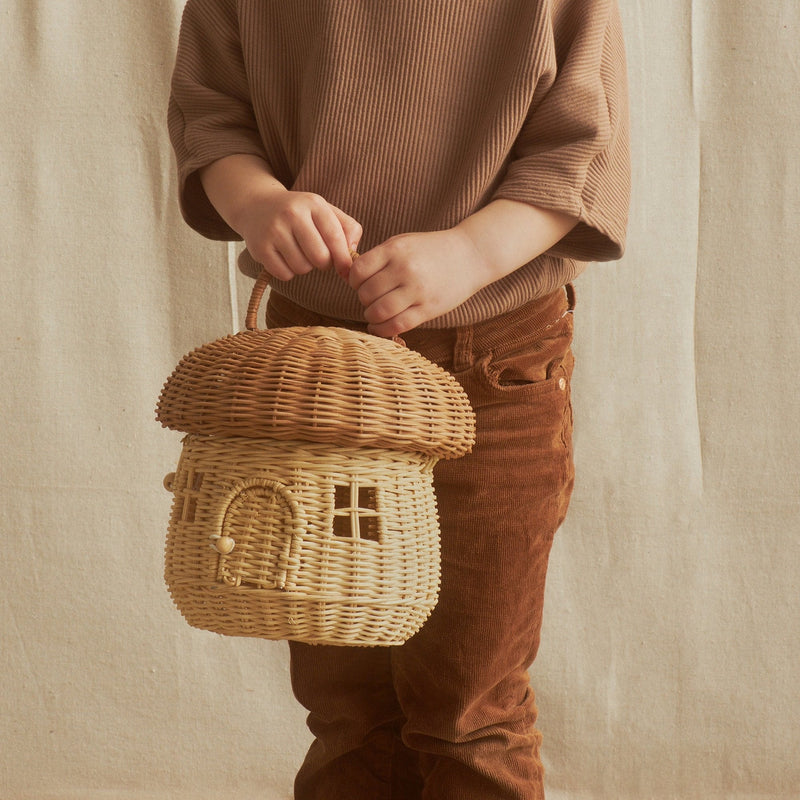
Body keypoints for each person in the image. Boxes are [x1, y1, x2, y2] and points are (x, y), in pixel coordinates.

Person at [167, 1, 630, 798]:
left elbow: (583, 147)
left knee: (468, 705)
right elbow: (213, 111)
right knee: (346, 706)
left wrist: (474, 251)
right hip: (314, 368)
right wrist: (257, 203)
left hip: (494, 357)